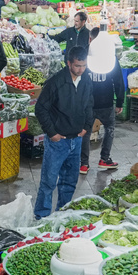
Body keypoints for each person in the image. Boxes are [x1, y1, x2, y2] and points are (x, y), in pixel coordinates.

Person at [33, 45, 93, 219]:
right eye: (77, 66)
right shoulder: (55, 82)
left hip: (77, 140)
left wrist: (86, 127)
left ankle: (62, 215)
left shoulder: (86, 79)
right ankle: (41, 217)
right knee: (49, 182)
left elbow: (89, 104)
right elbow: (40, 109)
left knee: (69, 182)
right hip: (58, 142)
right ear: (69, 63)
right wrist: (52, 133)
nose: (81, 70)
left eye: (84, 66)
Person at [82, 34, 124, 172]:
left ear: (90, 39)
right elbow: (118, 81)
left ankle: (83, 164)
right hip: (106, 102)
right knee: (109, 128)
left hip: (88, 102)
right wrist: (120, 102)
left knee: (85, 131)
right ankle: (104, 159)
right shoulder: (110, 56)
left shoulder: (85, 55)